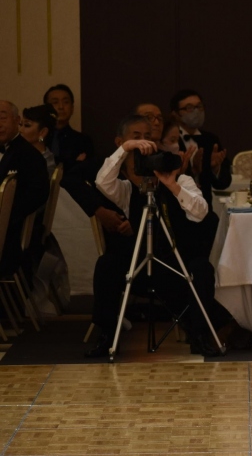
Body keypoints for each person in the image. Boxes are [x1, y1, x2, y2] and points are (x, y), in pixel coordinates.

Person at [85, 114, 221, 358]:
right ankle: (107, 335)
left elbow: (201, 212)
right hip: (137, 266)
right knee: (107, 264)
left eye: (147, 139)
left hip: (175, 265)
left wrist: (172, 185)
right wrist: (125, 148)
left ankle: (200, 335)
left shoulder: (182, 180)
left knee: (202, 269)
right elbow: (102, 182)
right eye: (137, 167)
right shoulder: (127, 189)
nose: (144, 174)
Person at [0, 100, 50, 276]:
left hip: (11, 235)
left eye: (2, 117)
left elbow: (37, 194)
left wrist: (5, 214)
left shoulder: (29, 156)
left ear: (17, 121)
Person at [169, 89, 231, 205]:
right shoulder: (170, 140)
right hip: (176, 206)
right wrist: (193, 171)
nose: (196, 111)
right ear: (175, 114)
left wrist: (215, 169)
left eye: (199, 106)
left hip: (205, 208)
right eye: (189, 108)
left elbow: (223, 184)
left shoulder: (210, 139)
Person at [43, 84, 93, 170]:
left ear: (72, 108)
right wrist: (73, 163)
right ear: (45, 108)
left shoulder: (83, 141)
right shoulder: (38, 138)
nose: (61, 107)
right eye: (55, 102)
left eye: (66, 102)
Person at [20, 104, 59, 176]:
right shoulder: (18, 153)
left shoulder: (46, 163)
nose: (20, 130)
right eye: (20, 125)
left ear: (43, 132)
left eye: (27, 125)